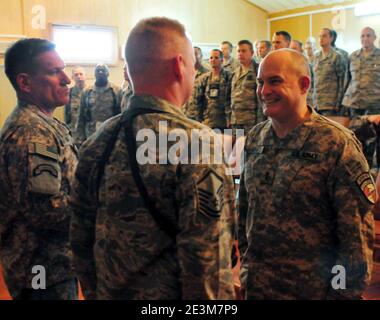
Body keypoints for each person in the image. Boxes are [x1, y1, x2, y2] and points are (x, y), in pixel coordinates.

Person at [69, 17, 237, 300]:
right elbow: (207, 260)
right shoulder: (195, 142)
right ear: (179, 66)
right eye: (194, 67)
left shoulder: (98, 141)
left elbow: (80, 239)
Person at [239, 49, 375, 300]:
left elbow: (354, 244)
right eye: (260, 82)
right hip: (259, 289)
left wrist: (341, 296)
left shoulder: (336, 144)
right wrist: (247, 273)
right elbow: (245, 215)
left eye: (275, 81)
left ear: (304, 84)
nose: (264, 91)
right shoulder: (255, 139)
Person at [0, 38, 78, 300]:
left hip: (54, 265)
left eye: (63, 69)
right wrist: (100, 204)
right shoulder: (32, 132)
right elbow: (47, 211)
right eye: (54, 72)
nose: (66, 79)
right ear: (25, 83)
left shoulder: (45, 124)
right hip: (43, 273)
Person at [75, 64, 122, 146]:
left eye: (103, 70)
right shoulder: (86, 92)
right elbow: (81, 117)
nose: (100, 72)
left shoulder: (117, 91)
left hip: (111, 136)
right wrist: (79, 140)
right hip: (91, 137)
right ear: (94, 74)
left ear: (108, 73)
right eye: (98, 70)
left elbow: (121, 116)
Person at [230, 40, 263, 135]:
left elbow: (261, 98)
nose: (240, 54)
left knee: (250, 148)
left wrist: (259, 123)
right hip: (235, 121)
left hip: (250, 121)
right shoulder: (235, 72)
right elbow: (231, 96)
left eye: (243, 51)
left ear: (252, 53)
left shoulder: (258, 70)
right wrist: (229, 117)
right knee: (235, 149)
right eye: (238, 51)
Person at [193, 49, 232, 130]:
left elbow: (231, 99)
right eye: (211, 58)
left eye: (216, 58)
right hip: (208, 121)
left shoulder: (229, 77)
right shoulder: (204, 78)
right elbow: (198, 101)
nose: (213, 60)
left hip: (224, 121)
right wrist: (198, 120)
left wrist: (230, 119)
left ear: (222, 60)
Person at [314, 28, 346, 116]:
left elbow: (342, 82)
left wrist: (338, 104)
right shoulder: (316, 56)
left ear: (331, 38)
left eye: (324, 36)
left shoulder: (337, 56)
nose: (321, 39)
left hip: (330, 105)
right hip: (317, 104)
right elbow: (315, 80)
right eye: (319, 36)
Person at [183, 46, 209, 120]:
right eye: (190, 54)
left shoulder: (207, 74)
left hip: (199, 115)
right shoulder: (185, 72)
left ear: (201, 56)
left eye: (195, 54)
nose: (192, 56)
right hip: (185, 113)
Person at [290, 40, 315, 108]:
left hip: (306, 103)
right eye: (290, 49)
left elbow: (313, 87)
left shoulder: (308, 66)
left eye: (294, 49)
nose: (291, 51)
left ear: (301, 50)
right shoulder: (286, 67)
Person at [64, 66, 86, 135]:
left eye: (81, 74)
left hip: (89, 132)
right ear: (72, 77)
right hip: (74, 132)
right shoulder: (69, 93)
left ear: (85, 76)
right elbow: (67, 115)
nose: (79, 77)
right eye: (76, 75)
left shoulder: (91, 91)